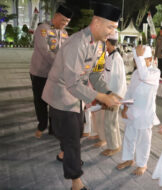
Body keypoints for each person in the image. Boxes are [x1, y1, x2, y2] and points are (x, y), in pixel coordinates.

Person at [42, 3, 121, 190]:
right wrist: (101, 97)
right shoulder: (77, 43)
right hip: (61, 97)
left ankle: (64, 155)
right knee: (72, 141)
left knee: (76, 133)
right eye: (110, 27)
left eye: (114, 29)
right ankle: (76, 182)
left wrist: (109, 92)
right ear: (96, 22)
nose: (111, 33)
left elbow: (94, 74)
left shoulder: (99, 44)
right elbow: (72, 83)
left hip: (76, 97)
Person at [116, 45, 160, 176]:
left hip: (145, 114)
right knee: (129, 137)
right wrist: (124, 107)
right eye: (136, 60)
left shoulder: (154, 73)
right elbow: (129, 91)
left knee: (143, 141)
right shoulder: (136, 73)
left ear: (150, 59)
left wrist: (139, 56)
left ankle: (143, 164)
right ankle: (129, 159)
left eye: (141, 59)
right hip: (132, 111)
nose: (138, 63)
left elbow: (144, 75)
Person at [30, 4, 72, 138]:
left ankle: (53, 128)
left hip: (55, 74)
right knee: (40, 101)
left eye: (67, 22)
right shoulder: (43, 29)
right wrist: (62, 64)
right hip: (40, 73)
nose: (65, 24)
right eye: (64, 20)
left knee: (54, 101)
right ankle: (42, 125)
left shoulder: (65, 33)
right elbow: (45, 51)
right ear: (56, 16)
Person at [101, 30, 127, 156]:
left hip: (113, 95)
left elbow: (116, 81)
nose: (104, 46)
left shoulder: (115, 58)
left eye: (105, 43)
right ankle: (116, 144)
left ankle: (113, 147)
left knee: (109, 122)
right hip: (112, 94)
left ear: (108, 43)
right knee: (113, 121)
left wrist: (111, 97)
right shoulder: (111, 56)